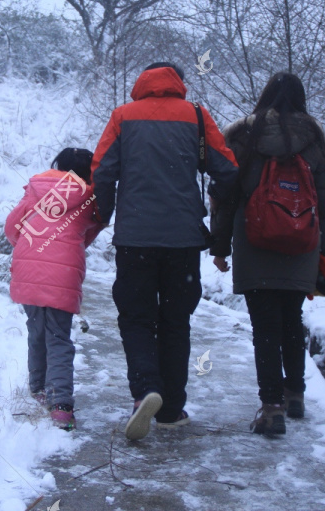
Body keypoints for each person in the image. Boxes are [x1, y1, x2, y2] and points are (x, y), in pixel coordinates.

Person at [90, 63, 239, 440]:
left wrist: (104, 216)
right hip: (183, 241)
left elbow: (102, 171)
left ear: (142, 82)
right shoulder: (196, 115)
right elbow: (227, 169)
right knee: (176, 322)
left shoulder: (123, 116)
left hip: (135, 238)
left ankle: (145, 391)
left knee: (136, 317)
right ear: (179, 83)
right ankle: (171, 409)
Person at [210, 72, 325, 436]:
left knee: (264, 327)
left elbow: (225, 197)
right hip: (301, 241)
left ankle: (271, 408)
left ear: (265, 95)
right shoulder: (312, 137)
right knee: (291, 320)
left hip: (255, 240)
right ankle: (295, 393)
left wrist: (220, 246)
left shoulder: (244, 135)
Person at [5, 148, 104, 430]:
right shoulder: (88, 198)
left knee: (36, 329)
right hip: (63, 274)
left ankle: (38, 389)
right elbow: (91, 231)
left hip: (28, 267)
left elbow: (12, 227)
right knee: (58, 336)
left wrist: (28, 247)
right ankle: (61, 405)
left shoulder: (36, 190)